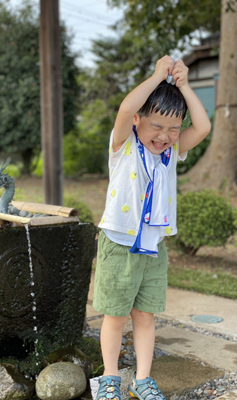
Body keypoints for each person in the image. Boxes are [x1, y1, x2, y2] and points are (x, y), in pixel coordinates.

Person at [93, 55, 211, 400]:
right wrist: (158, 75)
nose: (165, 135)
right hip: (119, 244)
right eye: (156, 126)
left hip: (154, 247)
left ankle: (143, 379)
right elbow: (126, 105)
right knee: (115, 317)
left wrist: (185, 86)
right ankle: (110, 378)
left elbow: (202, 128)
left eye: (174, 128)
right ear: (137, 121)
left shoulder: (171, 153)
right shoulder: (124, 144)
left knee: (145, 317)